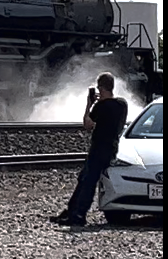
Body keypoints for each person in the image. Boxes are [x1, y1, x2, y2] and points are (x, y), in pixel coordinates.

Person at [50, 72, 129, 226]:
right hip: (111, 148)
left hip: (99, 148)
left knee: (88, 181)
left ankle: (79, 215)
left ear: (100, 87)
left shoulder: (101, 106)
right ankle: (71, 211)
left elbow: (87, 125)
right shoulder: (122, 104)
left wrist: (89, 104)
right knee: (83, 178)